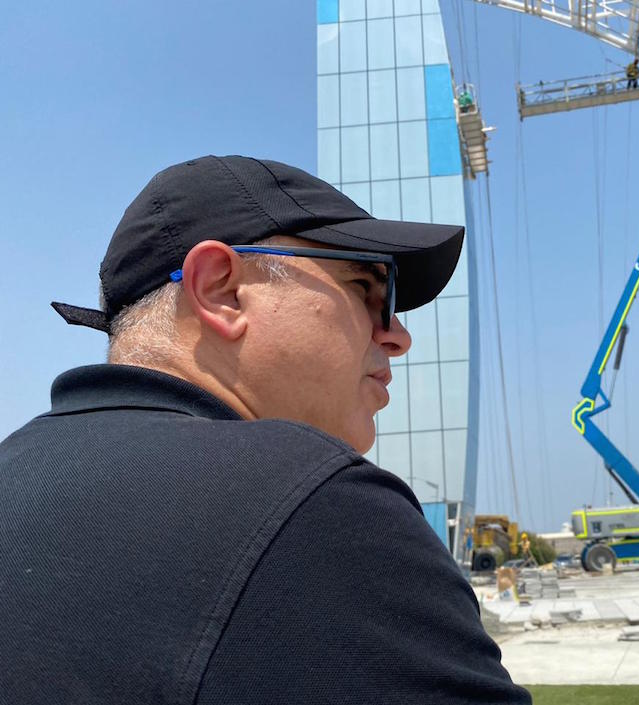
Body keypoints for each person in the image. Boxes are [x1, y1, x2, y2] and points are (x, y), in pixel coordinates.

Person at [0, 155, 531, 704]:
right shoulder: (317, 504)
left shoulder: (15, 472)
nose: (397, 335)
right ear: (221, 289)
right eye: (366, 287)